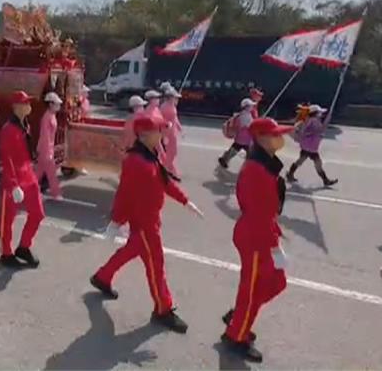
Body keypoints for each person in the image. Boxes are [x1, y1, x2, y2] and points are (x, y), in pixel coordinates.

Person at [90, 113, 204, 334]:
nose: (163, 133)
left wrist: (185, 201)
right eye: (159, 130)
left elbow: (165, 181)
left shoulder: (150, 154)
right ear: (145, 134)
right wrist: (116, 221)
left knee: (133, 250)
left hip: (151, 220)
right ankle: (163, 309)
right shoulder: (135, 161)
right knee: (156, 265)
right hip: (144, 224)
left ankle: (102, 277)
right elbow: (124, 194)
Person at [221, 117, 294, 363]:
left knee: (276, 282)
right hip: (255, 236)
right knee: (251, 289)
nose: (281, 138)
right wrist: (274, 246)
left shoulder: (265, 165)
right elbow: (258, 213)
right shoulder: (256, 170)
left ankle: (238, 315)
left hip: (262, 232)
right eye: (277, 134)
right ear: (263, 139)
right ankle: (236, 335)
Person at [0, 91, 44, 269]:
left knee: (38, 213)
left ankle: (24, 246)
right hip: (14, 179)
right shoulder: (8, 129)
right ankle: (6, 253)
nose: (29, 106)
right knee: (7, 220)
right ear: (16, 107)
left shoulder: (24, 125)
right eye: (25, 103)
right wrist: (13, 184)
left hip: (28, 175)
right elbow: (7, 158)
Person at [286, 104, 338, 186]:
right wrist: (317, 132)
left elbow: (321, 129)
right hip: (310, 147)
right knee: (317, 163)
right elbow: (317, 130)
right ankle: (325, 180)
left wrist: (327, 120)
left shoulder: (312, 120)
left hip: (309, 146)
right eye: (320, 113)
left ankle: (290, 174)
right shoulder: (312, 121)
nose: (321, 114)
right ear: (316, 113)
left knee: (301, 161)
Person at [37, 92, 63, 200]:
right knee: (51, 172)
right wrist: (48, 151)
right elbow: (45, 136)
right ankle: (56, 193)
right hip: (45, 148)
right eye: (56, 104)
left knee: (38, 173)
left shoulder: (51, 116)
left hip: (47, 148)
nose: (59, 106)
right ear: (51, 104)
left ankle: (29, 189)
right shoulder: (47, 117)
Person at [218, 98, 256, 169]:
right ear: (246, 107)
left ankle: (224, 159)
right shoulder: (246, 115)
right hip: (246, 139)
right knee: (250, 153)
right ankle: (249, 167)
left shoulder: (241, 114)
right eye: (251, 106)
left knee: (235, 148)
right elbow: (250, 125)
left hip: (240, 137)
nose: (252, 107)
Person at [159, 86, 183, 176]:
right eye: (175, 97)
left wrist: (179, 126)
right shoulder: (164, 107)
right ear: (169, 98)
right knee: (170, 151)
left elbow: (175, 118)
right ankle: (169, 168)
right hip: (166, 133)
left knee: (173, 151)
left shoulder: (172, 106)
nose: (176, 99)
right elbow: (160, 119)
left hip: (173, 132)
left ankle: (168, 166)